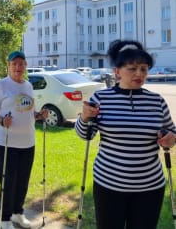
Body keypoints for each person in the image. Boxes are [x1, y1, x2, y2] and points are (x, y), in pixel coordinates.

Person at [75, 39, 176, 229]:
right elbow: (85, 135)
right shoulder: (101, 98)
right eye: (132, 68)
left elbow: (172, 130)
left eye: (144, 69)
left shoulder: (156, 101)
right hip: (109, 185)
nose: (139, 74)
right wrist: (85, 118)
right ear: (117, 71)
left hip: (150, 187)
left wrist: (171, 138)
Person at [0, 51, 48, 229]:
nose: (18, 67)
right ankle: (5, 219)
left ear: (25, 66)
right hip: (7, 143)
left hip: (28, 142)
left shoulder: (28, 86)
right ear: (9, 66)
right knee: (7, 181)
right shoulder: (1, 85)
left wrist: (39, 115)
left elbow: (28, 112)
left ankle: (18, 213)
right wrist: (1, 121)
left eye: (21, 64)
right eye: (14, 64)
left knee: (22, 180)